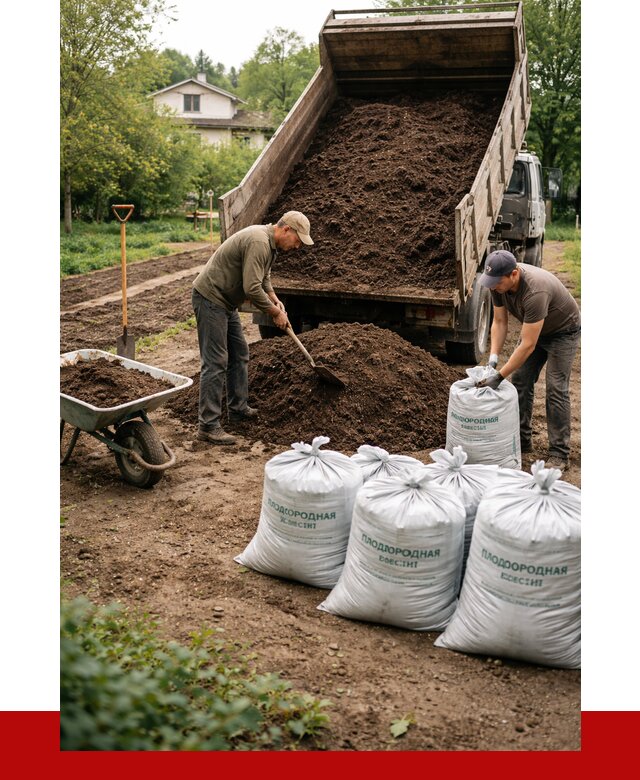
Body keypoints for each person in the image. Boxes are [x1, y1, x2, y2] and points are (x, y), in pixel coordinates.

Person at [192, 211, 314, 444]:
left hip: (226, 302)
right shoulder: (259, 241)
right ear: (286, 229)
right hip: (210, 298)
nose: (298, 246)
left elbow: (263, 277)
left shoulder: (270, 245)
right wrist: (275, 313)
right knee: (216, 361)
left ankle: (238, 409)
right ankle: (207, 426)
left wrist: (275, 299)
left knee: (239, 353)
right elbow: (251, 288)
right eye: (298, 240)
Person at [475, 249, 580, 469]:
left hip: (563, 332)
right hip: (536, 329)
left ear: (514, 274)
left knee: (556, 388)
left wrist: (499, 377)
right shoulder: (498, 284)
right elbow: (500, 322)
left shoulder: (535, 291)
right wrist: (493, 360)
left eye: (497, 282)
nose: (493, 286)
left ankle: (559, 453)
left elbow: (527, 345)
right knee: (521, 379)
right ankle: (522, 441)